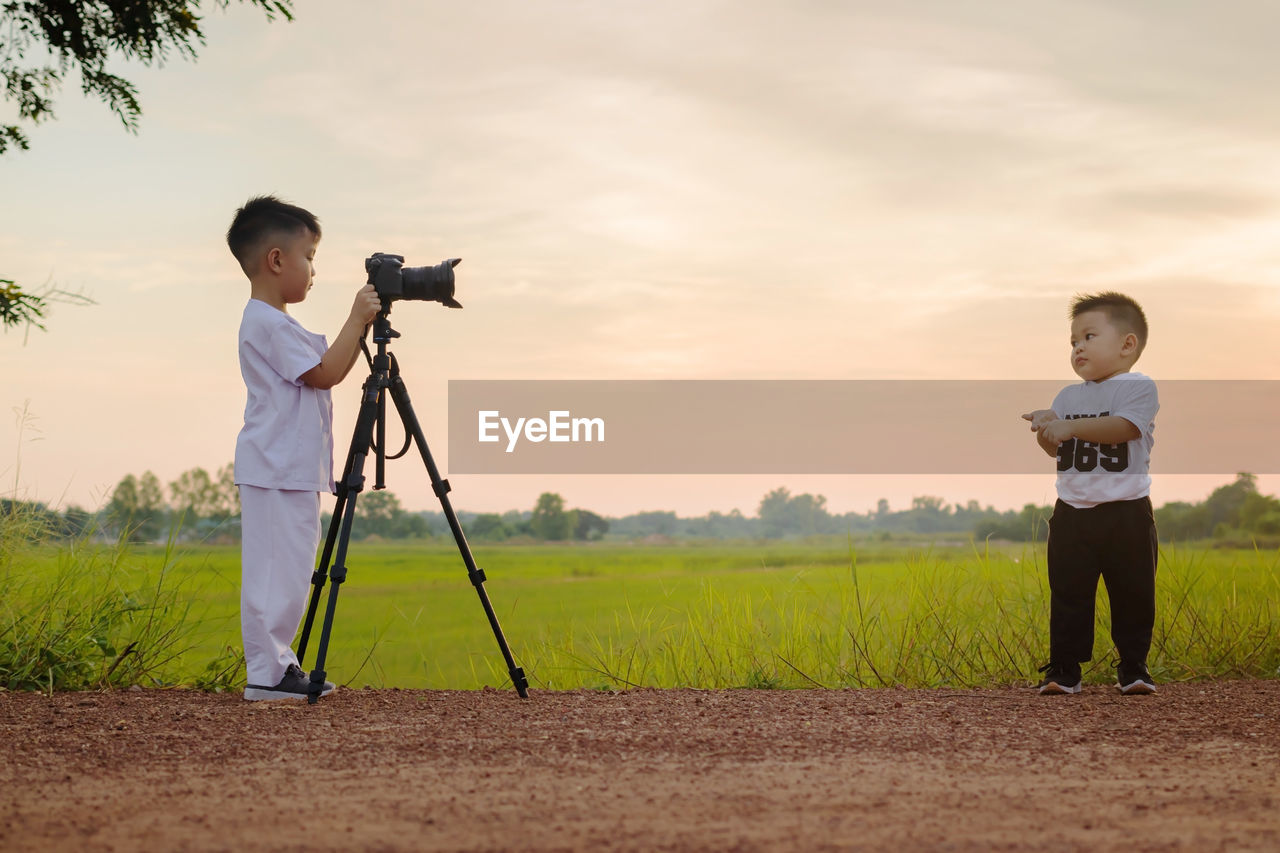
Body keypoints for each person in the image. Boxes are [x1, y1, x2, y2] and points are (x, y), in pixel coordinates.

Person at [226, 195, 381, 700]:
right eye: (309, 257)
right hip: (274, 468)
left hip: (289, 468)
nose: (313, 271)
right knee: (273, 575)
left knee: (289, 572)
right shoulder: (265, 322)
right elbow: (327, 373)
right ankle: (266, 675)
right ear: (276, 260)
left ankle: (278, 667)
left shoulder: (279, 323)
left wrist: (359, 327)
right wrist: (357, 320)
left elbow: (328, 366)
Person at [1021, 292, 1159, 696]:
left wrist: (1070, 428)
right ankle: (1065, 670)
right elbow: (1058, 450)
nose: (1078, 346)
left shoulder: (1137, 387)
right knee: (1069, 591)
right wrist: (1047, 428)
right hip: (1073, 511)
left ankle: (1133, 667)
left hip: (1127, 511)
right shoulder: (1068, 397)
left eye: (1089, 336)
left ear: (1127, 344)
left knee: (1133, 591)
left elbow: (1125, 428)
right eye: (1073, 341)